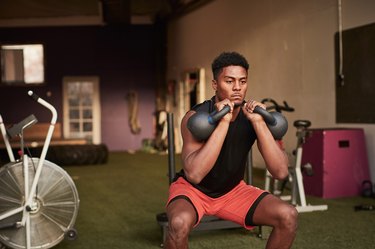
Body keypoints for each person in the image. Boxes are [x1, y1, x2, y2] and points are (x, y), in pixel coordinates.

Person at [164, 52, 298, 249]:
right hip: (193, 191)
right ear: (215, 84)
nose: (237, 88)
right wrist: (223, 121)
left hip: (233, 191)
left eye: (243, 81)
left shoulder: (253, 116)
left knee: (288, 215)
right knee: (178, 224)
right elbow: (194, 174)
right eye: (229, 81)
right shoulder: (196, 117)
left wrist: (259, 124)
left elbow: (280, 172)